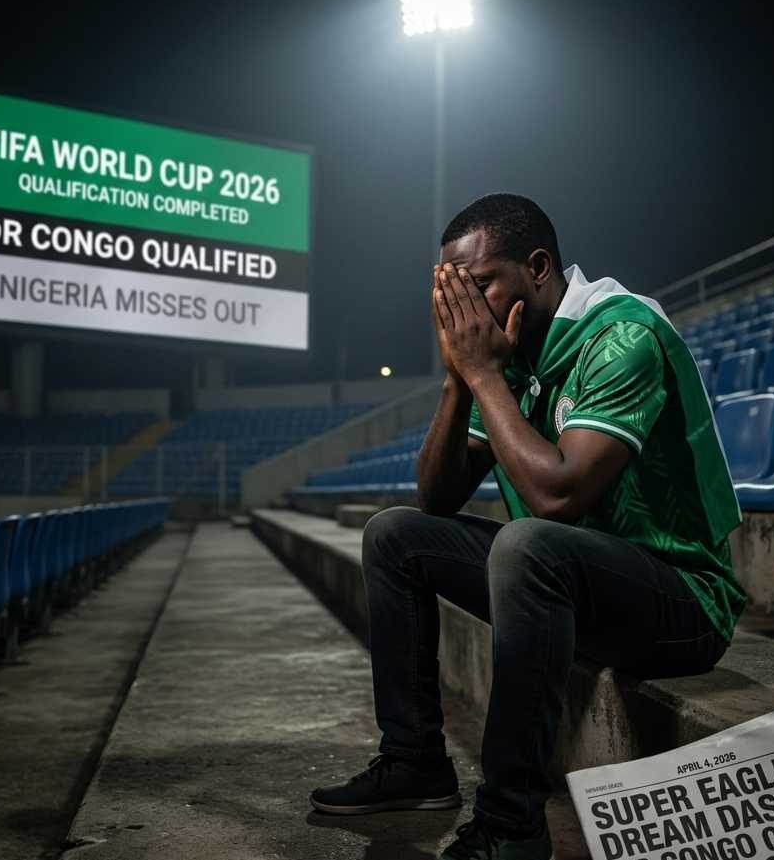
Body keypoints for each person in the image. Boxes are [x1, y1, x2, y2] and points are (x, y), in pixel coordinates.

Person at [309, 193, 749, 860]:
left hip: (680, 597)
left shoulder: (621, 333)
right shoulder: (511, 351)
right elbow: (436, 495)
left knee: (527, 542)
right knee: (395, 534)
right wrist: (461, 377)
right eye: (451, 292)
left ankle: (513, 823)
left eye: (478, 284)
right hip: (581, 583)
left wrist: (485, 371)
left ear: (537, 267)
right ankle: (415, 761)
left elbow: (557, 495)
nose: (466, 310)